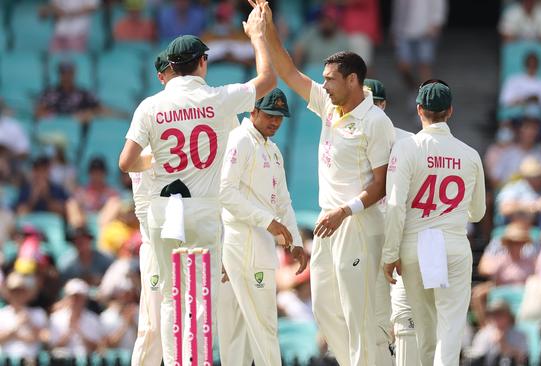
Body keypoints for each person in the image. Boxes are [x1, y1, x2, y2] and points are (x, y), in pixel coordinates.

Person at [118, 3, 276, 363]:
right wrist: (257, 37)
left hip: (162, 211)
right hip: (204, 209)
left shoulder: (149, 106)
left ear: (171, 68)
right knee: (202, 293)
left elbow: (126, 163)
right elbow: (267, 80)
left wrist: (156, 162)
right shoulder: (217, 99)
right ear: (203, 62)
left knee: (172, 297)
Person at [262, 4, 396, 365]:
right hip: (328, 222)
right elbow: (288, 71)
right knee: (324, 309)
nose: (323, 85)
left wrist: (344, 211)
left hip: (357, 223)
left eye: (330, 79)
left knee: (360, 315)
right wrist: (267, 31)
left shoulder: (375, 122)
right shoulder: (329, 105)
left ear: (352, 80)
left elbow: (382, 184)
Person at [382, 81, 486, 365]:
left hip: (415, 245)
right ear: (450, 111)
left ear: (419, 110)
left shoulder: (407, 148)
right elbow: (476, 213)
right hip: (452, 243)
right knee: (450, 331)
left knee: (426, 334)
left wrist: (390, 254)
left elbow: (394, 206)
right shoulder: (470, 154)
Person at [220, 88, 308, 366]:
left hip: (258, 243)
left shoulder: (272, 149)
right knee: (257, 325)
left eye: (280, 116)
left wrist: (294, 240)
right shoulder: (241, 140)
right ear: (253, 111)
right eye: (270, 114)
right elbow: (225, 192)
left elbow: (283, 201)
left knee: (245, 326)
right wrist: (266, 221)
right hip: (244, 240)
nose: (275, 122)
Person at [129, 49, 173, 366]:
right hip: (157, 241)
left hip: (184, 238)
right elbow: (144, 206)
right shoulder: (146, 136)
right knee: (153, 326)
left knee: (179, 322)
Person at [364, 78, 412, 366]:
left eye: (376, 103)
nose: (373, 109)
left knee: (403, 318)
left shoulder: (408, 141)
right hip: (367, 234)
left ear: (384, 104)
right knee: (370, 318)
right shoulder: (351, 139)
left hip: (402, 234)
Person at [392, 0, 447, 88]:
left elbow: (439, 3)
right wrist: (394, 29)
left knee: (424, 66)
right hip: (403, 32)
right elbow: (398, 9)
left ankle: (426, 97)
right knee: (403, 66)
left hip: (425, 30)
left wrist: (437, 23)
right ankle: (414, 89)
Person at [0, 272, 49, 362]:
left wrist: (30, 323)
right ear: (9, 293)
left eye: (21, 291)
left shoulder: (38, 313)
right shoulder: (2, 313)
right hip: (7, 361)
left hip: (32, 361)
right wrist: (16, 327)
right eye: (14, 291)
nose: (18, 295)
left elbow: (46, 338)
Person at [49, 278, 103, 358]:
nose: (75, 301)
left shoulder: (93, 318)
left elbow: (96, 347)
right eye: (72, 297)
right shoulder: (56, 318)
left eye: (79, 297)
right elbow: (54, 346)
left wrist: (80, 333)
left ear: (84, 299)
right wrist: (70, 331)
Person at [35, 61, 102, 123]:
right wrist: (48, 114)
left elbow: (104, 111)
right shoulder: (48, 93)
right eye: (63, 72)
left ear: (74, 73)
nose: (67, 76)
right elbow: (37, 111)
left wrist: (90, 113)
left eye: (70, 73)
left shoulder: (85, 94)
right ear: (59, 74)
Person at [466, 300, 528, 365]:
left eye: (500, 314)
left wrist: (505, 346)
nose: (496, 317)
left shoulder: (519, 335)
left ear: (508, 316)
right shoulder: (483, 334)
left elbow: (523, 360)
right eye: (493, 314)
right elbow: (475, 359)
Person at [67, 157, 120, 229]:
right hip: (84, 223)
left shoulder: (111, 193)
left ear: (104, 173)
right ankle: (78, 233)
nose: (97, 175)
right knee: (71, 203)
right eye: (94, 172)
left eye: (99, 172)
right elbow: (73, 204)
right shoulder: (83, 191)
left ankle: (101, 237)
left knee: (114, 202)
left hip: (103, 224)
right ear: (90, 173)